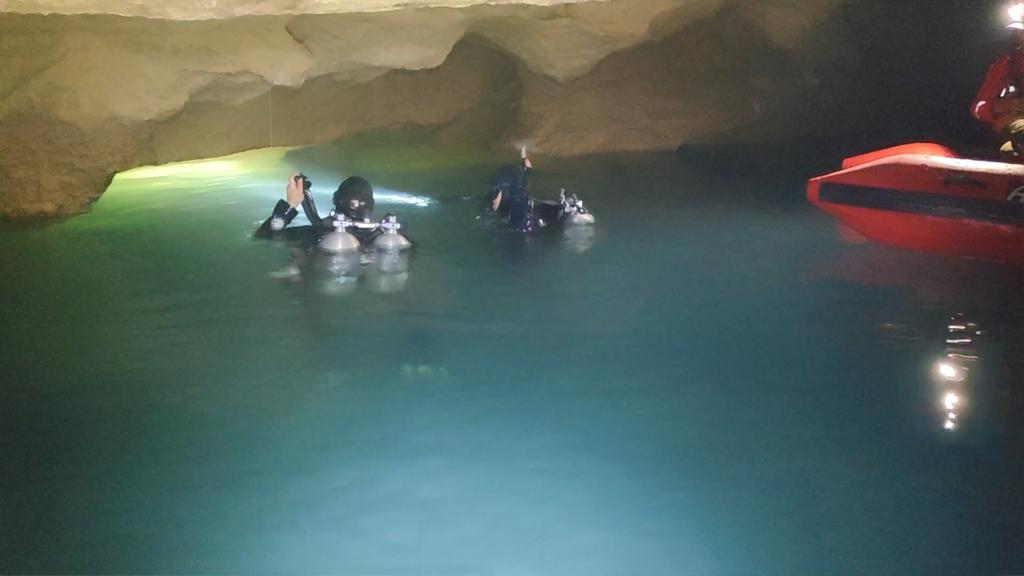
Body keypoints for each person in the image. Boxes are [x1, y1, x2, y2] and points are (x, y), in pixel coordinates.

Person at [255, 173, 377, 241]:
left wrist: (290, 205)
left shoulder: (314, 235)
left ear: (335, 200)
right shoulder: (381, 236)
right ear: (371, 206)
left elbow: (263, 237)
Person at [972, 2, 1024, 159]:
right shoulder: (1005, 64)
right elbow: (978, 107)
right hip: (1015, 130)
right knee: (1009, 150)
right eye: (1020, 32)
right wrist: (999, 107)